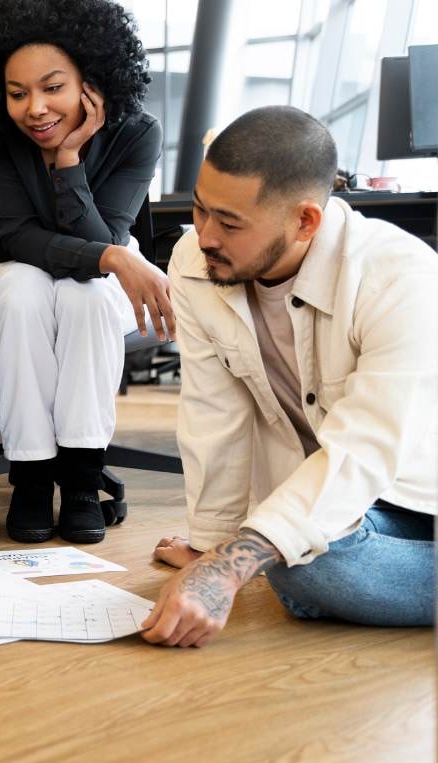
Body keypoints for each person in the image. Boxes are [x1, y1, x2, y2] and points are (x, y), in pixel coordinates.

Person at [143, 106, 436, 648]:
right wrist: (211, 548)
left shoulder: (401, 278)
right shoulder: (195, 260)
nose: (204, 235)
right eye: (200, 209)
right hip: (343, 510)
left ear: (305, 221)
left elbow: (364, 452)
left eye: (229, 223)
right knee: (291, 552)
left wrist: (232, 567)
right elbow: (214, 415)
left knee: (301, 564)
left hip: (417, 501)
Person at [0, 0, 174, 545]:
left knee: (87, 298)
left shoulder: (136, 133)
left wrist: (70, 157)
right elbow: (13, 237)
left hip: (101, 279)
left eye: (53, 87)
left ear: (91, 81)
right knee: (27, 290)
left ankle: (79, 481)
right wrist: (110, 256)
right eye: (17, 92)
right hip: (6, 268)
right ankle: (29, 477)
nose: (34, 108)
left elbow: (104, 245)